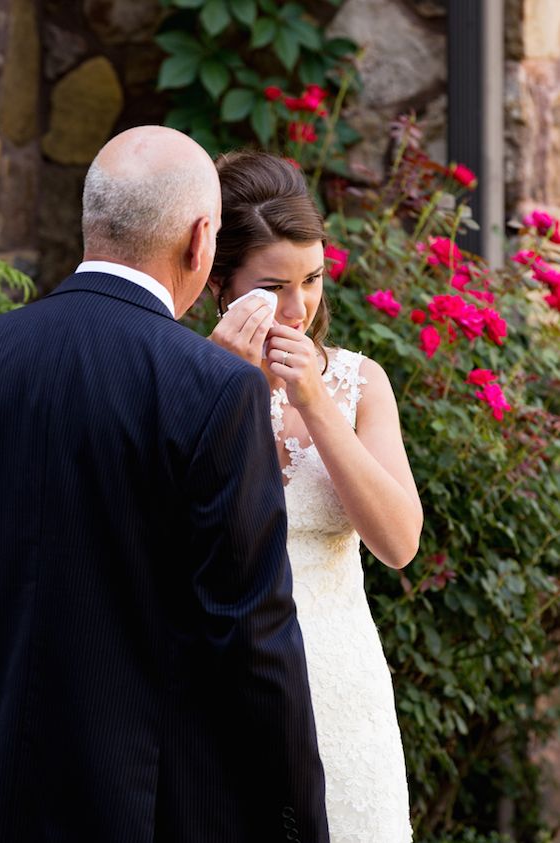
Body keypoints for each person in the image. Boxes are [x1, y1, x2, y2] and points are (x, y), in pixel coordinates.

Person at [0, 127, 329, 843]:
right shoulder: (213, 388)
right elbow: (252, 636)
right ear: (200, 239)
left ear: (95, 220)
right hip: (140, 801)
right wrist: (300, 820)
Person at [208, 150, 423, 843]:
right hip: (223, 688)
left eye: (313, 280)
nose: (300, 309)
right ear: (221, 284)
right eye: (274, 287)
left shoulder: (363, 384)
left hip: (341, 685)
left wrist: (317, 403)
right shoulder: (183, 380)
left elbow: (397, 544)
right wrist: (223, 393)